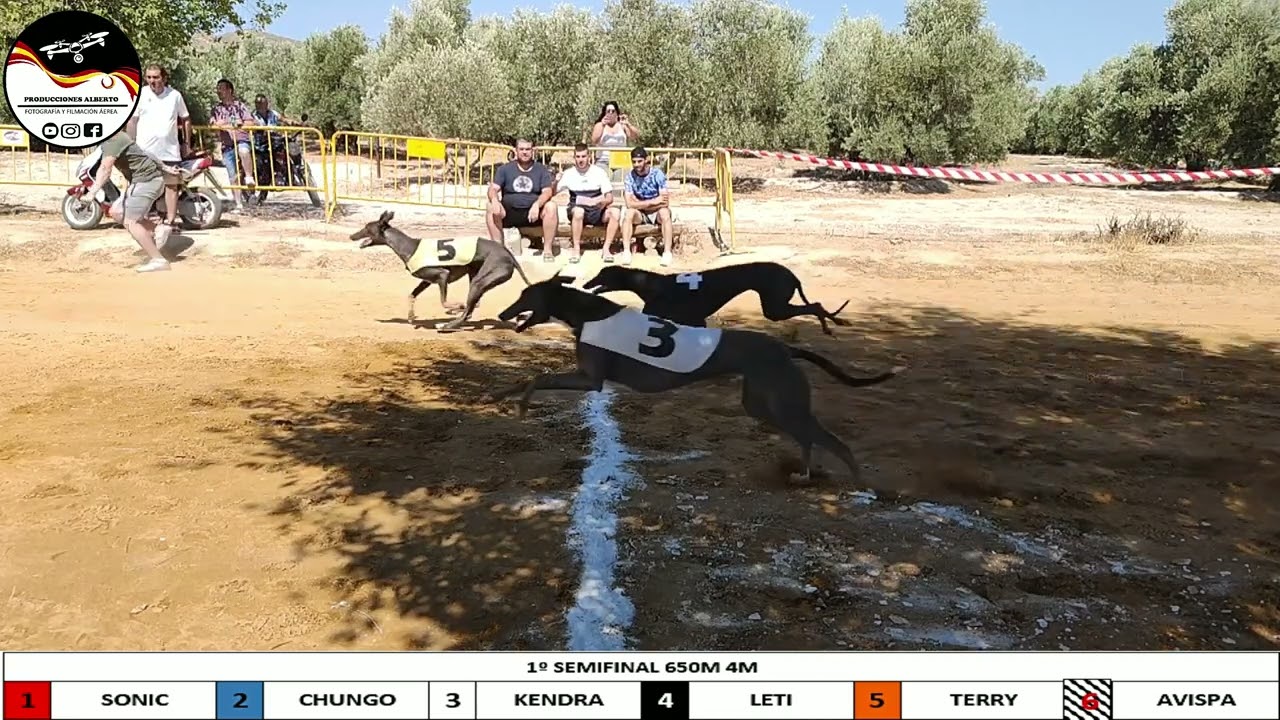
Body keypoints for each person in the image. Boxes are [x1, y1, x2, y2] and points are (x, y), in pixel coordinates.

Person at [78, 130, 181, 273]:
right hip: (146, 181)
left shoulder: (112, 139)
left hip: (146, 182)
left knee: (130, 221)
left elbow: (105, 168)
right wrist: (165, 167)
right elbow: (144, 152)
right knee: (116, 212)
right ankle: (158, 229)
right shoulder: (117, 136)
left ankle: (158, 260)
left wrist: (92, 193)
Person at [126, 63, 191, 245]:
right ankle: (141, 221)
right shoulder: (141, 94)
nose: (152, 81)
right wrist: (131, 145)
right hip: (144, 151)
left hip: (169, 150)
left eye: (156, 77)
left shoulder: (175, 96)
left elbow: (185, 119)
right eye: (149, 77)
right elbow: (133, 121)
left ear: (164, 77)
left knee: (171, 187)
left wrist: (187, 143)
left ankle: (170, 222)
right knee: (141, 186)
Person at [487, 138, 559, 262]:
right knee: (490, 206)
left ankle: (547, 250)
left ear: (533, 151)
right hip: (509, 213)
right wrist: (494, 200)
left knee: (551, 206)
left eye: (528, 149)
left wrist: (537, 204)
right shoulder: (505, 169)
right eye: (521, 149)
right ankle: (498, 250)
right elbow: (493, 188)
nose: (525, 152)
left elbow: (547, 191)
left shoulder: (541, 170)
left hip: (533, 214)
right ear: (516, 151)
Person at [554, 143, 620, 263]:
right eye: (578, 157)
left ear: (589, 156)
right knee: (579, 212)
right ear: (574, 158)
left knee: (615, 213)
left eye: (583, 156)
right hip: (577, 209)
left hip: (597, 208)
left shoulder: (599, 172)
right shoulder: (569, 173)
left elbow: (609, 197)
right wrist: (555, 181)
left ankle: (606, 249)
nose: (581, 160)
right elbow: (554, 192)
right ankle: (576, 249)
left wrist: (602, 202)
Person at [621, 146, 674, 266]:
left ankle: (667, 252)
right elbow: (629, 204)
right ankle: (626, 251)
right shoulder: (630, 177)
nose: (636, 164)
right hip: (641, 213)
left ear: (646, 160)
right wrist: (653, 202)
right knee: (628, 214)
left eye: (639, 161)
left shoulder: (657, 174)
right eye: (634, 162)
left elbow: (665, 202)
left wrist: (639, 203)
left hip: (657, 212)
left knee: (665, 213)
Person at [209, 78, 256, 201]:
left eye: (222, 88)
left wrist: (240, 124)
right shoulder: (216, 109)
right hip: (227, 144)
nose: (219, 91)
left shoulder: (239, 106)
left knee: (244, 152)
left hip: (241, 140)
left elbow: (251, 123)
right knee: (232, 175)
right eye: (217, 89)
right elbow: (212, 125)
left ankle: (249, 177)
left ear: (230, 90)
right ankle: (238, 203)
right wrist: (218, 124)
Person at [590, 101, 640, 173]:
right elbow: (594, 140)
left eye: (613, 111)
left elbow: (635, 136)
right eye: (608, 111)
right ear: (604, 113)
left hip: (621, 160)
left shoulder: (622, 125)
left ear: (617, 113)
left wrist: (628, 124)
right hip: (603, 160)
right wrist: (602, 125)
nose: (610, 113)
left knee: (621, 178)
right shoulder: (599, 125)